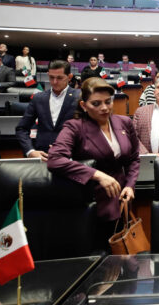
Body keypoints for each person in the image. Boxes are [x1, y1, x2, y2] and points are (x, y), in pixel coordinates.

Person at [48, 77, 139, 224]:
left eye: (108, 101)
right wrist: (97, 175)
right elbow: (55, 160)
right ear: (84, 105)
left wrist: (130, 185)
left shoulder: (125, 122)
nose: (104, 108)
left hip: (122, 198)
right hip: (92, 201)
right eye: (96, 103)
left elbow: (134, 158)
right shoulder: (75, 126)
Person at [16, 60, 80, 161]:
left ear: (70, 77)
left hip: (72, 156)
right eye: (51, 77)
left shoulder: (80, 97)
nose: (54, 82)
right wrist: (30, 151)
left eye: (59, 78)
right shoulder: (38, 98)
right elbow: (21, 129)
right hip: (43, 155)